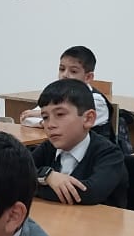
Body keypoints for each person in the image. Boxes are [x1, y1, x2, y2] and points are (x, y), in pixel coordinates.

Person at [31, 79, 127, 207]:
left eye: (60, 114)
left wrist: (33, 185)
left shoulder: (110, 153)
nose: (50, 125)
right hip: (59, 216)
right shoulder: (48, 147)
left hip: (97, 219)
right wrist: (47, 176)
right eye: (45, 117)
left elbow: (90, 193)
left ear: (88, 119)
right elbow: (16, 175)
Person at [20, 45, 112, 140]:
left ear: (88, 77)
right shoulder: (56, 95)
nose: (65, 75)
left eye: (73, 71)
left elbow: (69, 127)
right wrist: (42, 121)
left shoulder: (96, 101)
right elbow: (26, 118)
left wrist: (41, 116)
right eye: (62, 69)